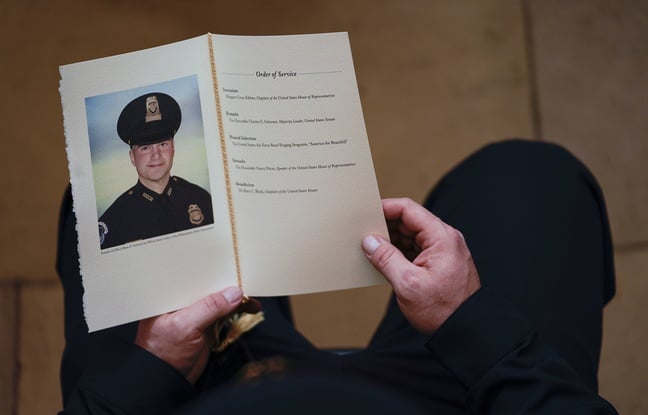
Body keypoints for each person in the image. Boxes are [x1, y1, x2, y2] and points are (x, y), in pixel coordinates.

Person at [57, 140, 618, 414]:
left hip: (194, 394)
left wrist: (149, 374)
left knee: (97, 212)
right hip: (455, 403)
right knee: (530, 177)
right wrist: (475, 330)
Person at [98, 92, 214, 249]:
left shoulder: (202, 200)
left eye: (163, 144)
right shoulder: (115, 219)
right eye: (145, 148)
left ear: (173, 148)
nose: (156, 155)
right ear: (132, 157)